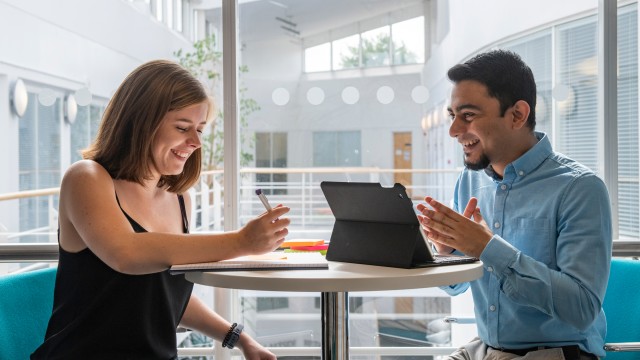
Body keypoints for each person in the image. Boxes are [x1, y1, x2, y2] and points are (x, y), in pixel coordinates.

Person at [31, 60, 288, 360]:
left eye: (200, 130)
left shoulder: (180, 200)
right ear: (141, 122)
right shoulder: (87, 178)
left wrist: (241, 339)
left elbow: (161, 296)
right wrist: (242, 242)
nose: (195, 143)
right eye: (182, 128)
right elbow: (126, 253)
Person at [417, 50, 612, 360]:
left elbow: (581, 309)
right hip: (485, 350)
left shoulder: (580, 188)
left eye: (468, 115)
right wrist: (447, 252)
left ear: (518, 115)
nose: (454, 131)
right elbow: (456, 288)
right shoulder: (469, 182)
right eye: (452, 116)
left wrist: (486, 247)